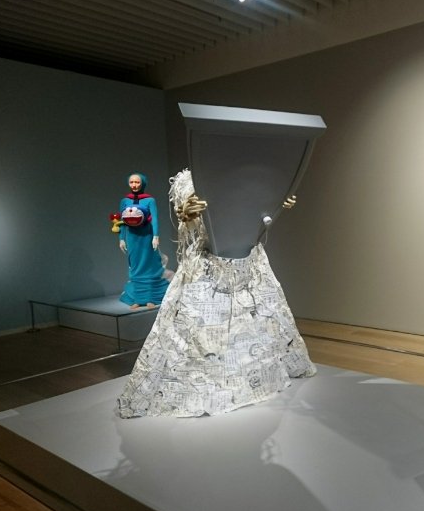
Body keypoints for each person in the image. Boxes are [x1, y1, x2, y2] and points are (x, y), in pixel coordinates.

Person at [116, 168, 315, 418]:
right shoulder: (190, 179)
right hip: (208, 263)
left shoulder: (251, 175)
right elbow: (187, 223)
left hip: (248, 261)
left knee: (260, 321)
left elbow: (256, 217)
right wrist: (187, 215)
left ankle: (256, 378)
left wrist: (275, 204)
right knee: (200, 330)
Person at [118, 172, 169, 308]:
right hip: (132, 237)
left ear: (142, 183)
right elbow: (121, 221)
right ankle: (137, 299)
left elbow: (155, 219)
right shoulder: (125, 201)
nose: (134, 185)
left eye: (137, 182)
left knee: (149, 266)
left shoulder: (150, 200)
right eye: (132, 182)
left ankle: (150, 298)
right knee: (135, 266)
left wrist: (156, 236)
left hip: (147, 236)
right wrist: (121, 238)